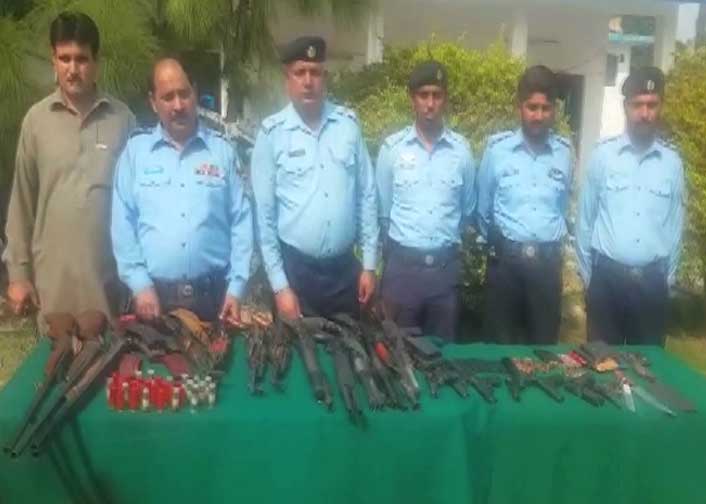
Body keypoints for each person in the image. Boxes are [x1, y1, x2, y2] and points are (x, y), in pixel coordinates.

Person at [3, 11, 135, 317]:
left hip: (110, 289)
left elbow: (138, 206)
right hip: (52, 290)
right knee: (53, 348)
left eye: (82, 59)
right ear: (53, 60)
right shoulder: (36, 122)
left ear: (96, 62)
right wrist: (18, 275)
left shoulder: (122, 121)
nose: (73, 69)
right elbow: (21, 203)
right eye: (64, 59)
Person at [111, 58, 253, 324]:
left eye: (184, 94)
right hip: (154, 300)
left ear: (195, 93)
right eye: (167, 97)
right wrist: (140, 285)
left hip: (215, 299)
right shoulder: (135, 154)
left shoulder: (222, 151)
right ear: (153, 102)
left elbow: (241, 223)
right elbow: (123, 225)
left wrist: (236, 288)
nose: (178, 105)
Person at [250, 36, 378, 319]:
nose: (308, 81)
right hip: (296, 275)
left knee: (351, 346)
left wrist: (369, 265)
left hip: (345, 274)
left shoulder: (348, 126)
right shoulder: (272, 134)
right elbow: (264, 218)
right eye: (300, 73)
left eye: (315, 72)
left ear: (325, 78)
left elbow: (366, 196)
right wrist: (280, 287)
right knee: (298, 348)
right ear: (287, 80)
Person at [575, 66, 684, 346]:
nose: (644, 113)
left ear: (660, 107)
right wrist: (589, 278)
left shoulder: (672, 164)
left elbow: (675, 226)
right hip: (606, 282)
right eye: (638, 105)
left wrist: (666, 280)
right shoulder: (603, 156)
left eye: (652, 105)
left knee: (649, 367)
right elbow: (585, 220)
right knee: (601, 364)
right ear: (626, 107)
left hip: (652, 285)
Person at [376, 61, 475, 341]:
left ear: (445, 99)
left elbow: (467, 212)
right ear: (412, 99)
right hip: (402, 273)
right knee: (396, 353)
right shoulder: (391, 150)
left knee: (443, 355)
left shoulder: (462, 152)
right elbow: (384, 213)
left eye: (437, 95)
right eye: (423, 95)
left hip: (445, 274)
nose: (430, 104)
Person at [476, 65, 573, 344]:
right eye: (532, 107)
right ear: (520, 106)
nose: (538, 116)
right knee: (499, 351)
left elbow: (562, 205)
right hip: (505, 266)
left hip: (547, 267)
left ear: (554, 110)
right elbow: (483, 210)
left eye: (545, 108)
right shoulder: (497, 150)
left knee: (543, 351)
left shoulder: (564, 154)